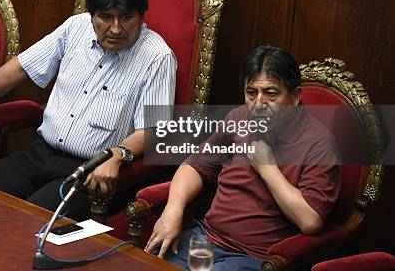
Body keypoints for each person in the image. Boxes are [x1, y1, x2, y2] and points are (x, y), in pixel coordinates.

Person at [0, 0, 176, 219]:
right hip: (38, 155)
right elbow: (18, 69)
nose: (116, 29)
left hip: (88, 173)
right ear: (91, 14)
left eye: (126, 18)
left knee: (21, 223)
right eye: (106, 17)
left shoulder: (157, 57)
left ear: (141, 15)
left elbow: (153, 132)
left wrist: (116, 155)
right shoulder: (75, 28)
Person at [145, 45, 342, 270]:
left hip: (254, 257)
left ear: (295, 96)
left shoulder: (319, 145)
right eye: (251, 93)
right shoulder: (238, 117)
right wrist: (173, 210)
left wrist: (267, 168)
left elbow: (310, 221)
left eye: (271, 94)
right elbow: (194, 166)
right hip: (206, 237)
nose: (258, 104)